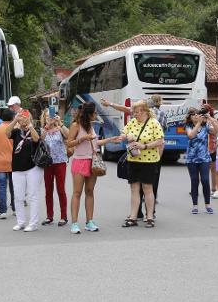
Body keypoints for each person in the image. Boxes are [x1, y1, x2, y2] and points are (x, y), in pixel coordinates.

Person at [67, 101, 118, 234]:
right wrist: (82, 139)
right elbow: (69, 143)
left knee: (90, 191)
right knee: (77, 192)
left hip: (92, 162)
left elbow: (95, 142)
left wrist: (110, 140)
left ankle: (90, 221)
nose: (96, 114)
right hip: (79, 161)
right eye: (95, 112)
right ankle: (74, 223)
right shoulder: (75, 125)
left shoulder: (91, 125)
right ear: (89, 114)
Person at [117, 100, 164, 228]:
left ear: (144, 111)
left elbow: (160, 141)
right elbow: (124, 132)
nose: (134, 114)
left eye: (137, 112)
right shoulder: (132, 122)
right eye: (134, 112)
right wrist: (123, 137)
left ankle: (149, 217)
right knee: (134, 189)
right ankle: (133, 217)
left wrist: (144, 146)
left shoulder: (154, 123)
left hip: (149, 161)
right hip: (133, 160)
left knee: (147, 188)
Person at [5, 109, 41, 232]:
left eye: (26, 118)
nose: (23, 120)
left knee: (33, 196)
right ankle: (20, 222)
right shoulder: (16, 132)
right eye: (22, 118)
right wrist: (15, 119)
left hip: (32, 168)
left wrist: (30, 126)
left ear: (30, 119)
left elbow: (36, 139)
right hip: (17, 168)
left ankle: (33, 223)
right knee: (18, 197)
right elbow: (6, 133)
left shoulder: (34, 130)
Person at [185, 107, 218, 214]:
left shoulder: (206, 126)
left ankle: (207, 204)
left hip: (204, 157)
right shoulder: (188, 126)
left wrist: (210, 118)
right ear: (190, 117)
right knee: (194, 180)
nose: (196, 116)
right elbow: (191, 135)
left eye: (198, 114)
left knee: (205, 180)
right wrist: (198, 123)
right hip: (191, 158)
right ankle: (195, 205)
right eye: (194, 115)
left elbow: (217, 130)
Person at [41, 110, 70, 226]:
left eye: (51, 116)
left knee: (61, 189)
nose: (50, 118)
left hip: (60, 162)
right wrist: (47, 126)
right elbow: (40, 139)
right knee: (48, 190)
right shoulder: (44, 129)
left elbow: (68, 135)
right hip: (47, 163)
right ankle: (49, 216)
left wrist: (60, 123)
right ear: (44, 117)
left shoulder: (60, 128)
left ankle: (64, 216)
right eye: (47, 116)